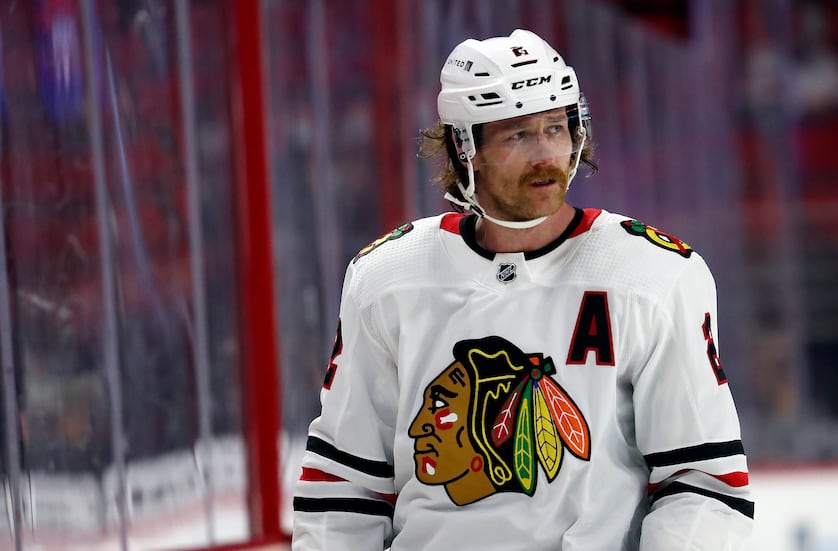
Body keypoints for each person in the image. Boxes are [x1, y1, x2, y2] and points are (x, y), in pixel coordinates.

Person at [291, 29, 754, 550]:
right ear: (465, 149)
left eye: (556, 128)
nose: (545, 154)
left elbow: (702, 481)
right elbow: (345, 484)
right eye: (517, 135)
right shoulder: (387, 277)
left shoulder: (654, 274)